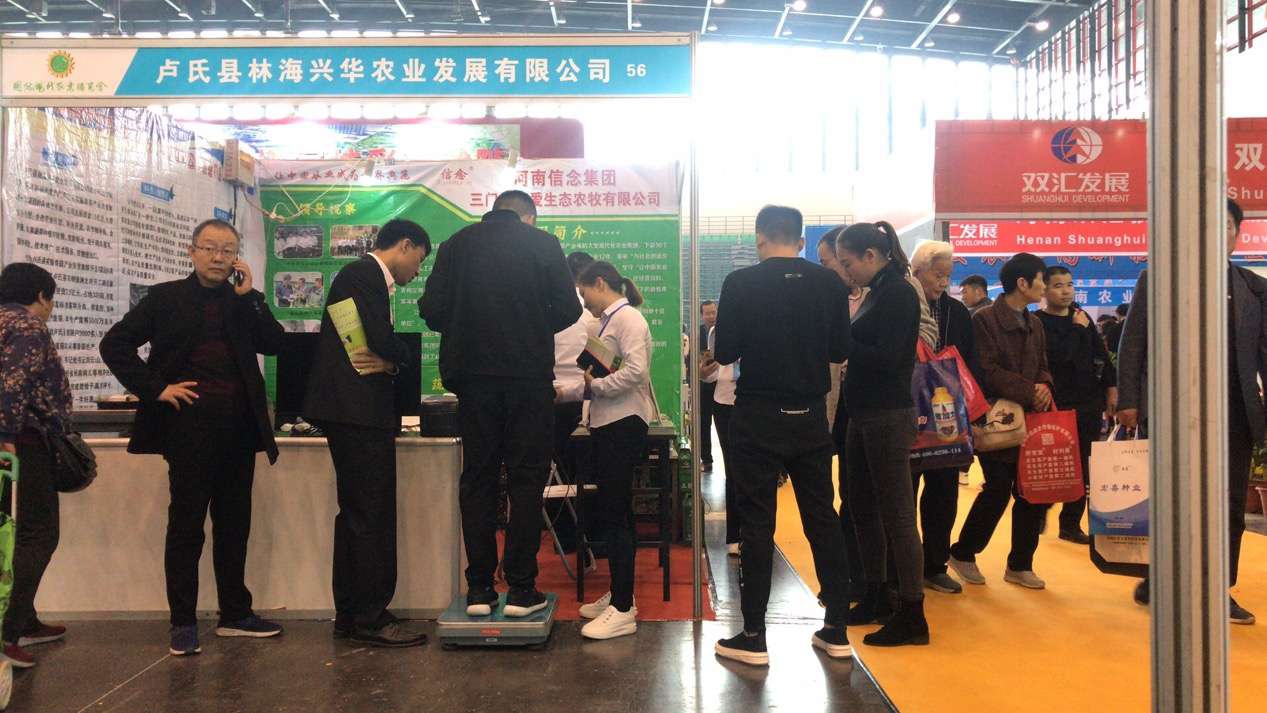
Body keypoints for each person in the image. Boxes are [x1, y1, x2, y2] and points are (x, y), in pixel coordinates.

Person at [100, 219, 286, 656]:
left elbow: (275, 343)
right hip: (188, 430)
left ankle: (235, 614)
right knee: (186, 527)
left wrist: (252, 297)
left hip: (239, 430)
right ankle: (182, 622)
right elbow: (115, 344)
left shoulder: (243, 300)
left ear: (236, 257)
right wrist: (155, 388)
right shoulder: (165, 298)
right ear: (192, 251)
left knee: (234, 526)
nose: (218, 258)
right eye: (209, 248)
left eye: (227, 250)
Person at [420, 191, 580, 620]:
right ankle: (523, 589)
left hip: (472, 379)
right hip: (528, 378)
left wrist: (467, 324)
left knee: (478, 478)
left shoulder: (455, 245)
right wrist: (531, 324)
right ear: (528, 217)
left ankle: (479, 588)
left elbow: (431, 310)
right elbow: (568, 308)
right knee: (526, 480)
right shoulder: (543, 244)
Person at [712, 205, 854, 666]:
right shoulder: (829, 283)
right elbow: (840, 349)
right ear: (801, 240)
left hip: (757, 415)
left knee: (757, 524)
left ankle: (754, 636)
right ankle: (836, 629)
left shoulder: (740, 283)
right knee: (822, 519)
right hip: (810, 415)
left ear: (759, 238)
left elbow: (725, 351)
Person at [1117, 198, 1261, 625]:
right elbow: (1133, 342)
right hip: (1173, 412)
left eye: (1229, 225)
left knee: (1229, 505)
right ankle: (1161, 576)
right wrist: (1129, 401)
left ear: (1237, 233)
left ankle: (1218, 589)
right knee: (1170, 500)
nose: (1221, 232)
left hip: (1235, 413)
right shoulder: (1159, 278)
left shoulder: (1253, 287)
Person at [303, 218, 431, 647]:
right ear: (405, 245)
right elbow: (379, 339)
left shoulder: (359, 276)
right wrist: (401, 357)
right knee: (370, 515)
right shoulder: (364, 275)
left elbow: (370, 344)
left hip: (353, 411)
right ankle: (370, 618)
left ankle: (353, 612)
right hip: (358, 411)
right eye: (419, 260)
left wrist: (390, 359)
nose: (417, 271)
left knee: (357, 515)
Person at [833, 222, 929, 647]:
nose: (846, 271)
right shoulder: (876, 292)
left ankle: (912, 611)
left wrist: (843, 343)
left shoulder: (899, 293)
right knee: (862, 507)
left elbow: (890, 357)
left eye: (848, 263)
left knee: (898, 515)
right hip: (863, 413)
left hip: (888, 415)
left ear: (871, 256)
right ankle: (876, 593)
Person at [948, 253, 1054, 591]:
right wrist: (1028, 390)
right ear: (1022, 283)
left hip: (1031, 417)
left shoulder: (1035, 323)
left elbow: (1043, 365)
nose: (1045, 286)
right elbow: (986, 369)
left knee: (1031, 491)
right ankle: (963, 552)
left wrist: (1044, 385)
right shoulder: (985, 320)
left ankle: (1020, 564)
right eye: (1041, 280)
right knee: (997, 487)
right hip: (997, 418)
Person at [564, 262, 656, 640]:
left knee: (616, 514)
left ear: (600, 283)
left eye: (585, 293)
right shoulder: (607, 322)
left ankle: (622, 609)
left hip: (622, 421)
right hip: (607, 421)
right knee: (613, 512)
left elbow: (636, 372)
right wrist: (577, 389)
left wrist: (595, 387)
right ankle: (621, 595)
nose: (584, 302)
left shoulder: (628, 319)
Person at [0, 263, 71, 669]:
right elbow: (14, 382)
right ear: (41, 296)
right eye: (50, 299)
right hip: (22, 444)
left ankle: (23, 619)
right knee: (37, 533)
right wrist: (6, 434)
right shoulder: (27, 326)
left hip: (12, 442)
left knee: (11, 535)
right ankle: (8, 632)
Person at [909, 241, 975, 596]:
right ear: (917, 271)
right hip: (908, 415)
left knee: (944, 494)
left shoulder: (957, 312)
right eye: (938, 274)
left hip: (947, 417)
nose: (943, 282)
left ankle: (935, 565)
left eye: (948, 276)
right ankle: (903, 568)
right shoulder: (902, 303)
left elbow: (969, 361)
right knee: (904, 493)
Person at [1037, 265, 1117, 545]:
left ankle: (1070, 524)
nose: (1066, 291)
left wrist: (1112, 389)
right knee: (1051, 463)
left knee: (1084, 465)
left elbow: (1101, 355)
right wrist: (1076, 330)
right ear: (1044, 290)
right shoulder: (1039, 322)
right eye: (1058, 285)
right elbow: (1059, 359)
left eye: (1069, 285)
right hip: (1056, 403)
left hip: (1088, 402)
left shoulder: (1081, 317)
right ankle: (1039, 510)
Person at [549, 251, 600, 556]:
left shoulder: (551, 310)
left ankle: (564, 538)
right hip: (587, 400)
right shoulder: (593, 317)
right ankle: (591, 536)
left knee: (558, 472)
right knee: (589, 471)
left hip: (554, 398)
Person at [705, 331, 740, 556]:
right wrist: (704, 370)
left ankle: (757, 533)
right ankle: (735, 535)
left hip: (755, 403)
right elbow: (710, 374)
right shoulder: (719, 332)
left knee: (755, 471)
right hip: (725, 403)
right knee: (732, 470)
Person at [697, 301, 719, 471]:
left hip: (722, 383)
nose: (711, 316)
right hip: (703, 384)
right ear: (702, 315)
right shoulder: (697, 334)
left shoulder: (725, 331)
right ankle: (707, 460)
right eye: (707, 313)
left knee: (724, 424)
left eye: (713, 312)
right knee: (703, 423)